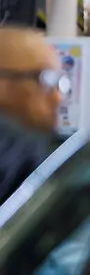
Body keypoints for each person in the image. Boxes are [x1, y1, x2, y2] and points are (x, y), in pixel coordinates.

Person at [0, 28, 63, 203]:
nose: (57, 98)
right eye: (45, 79)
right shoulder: (22, 151)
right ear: (3, 84)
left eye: (59, 82)